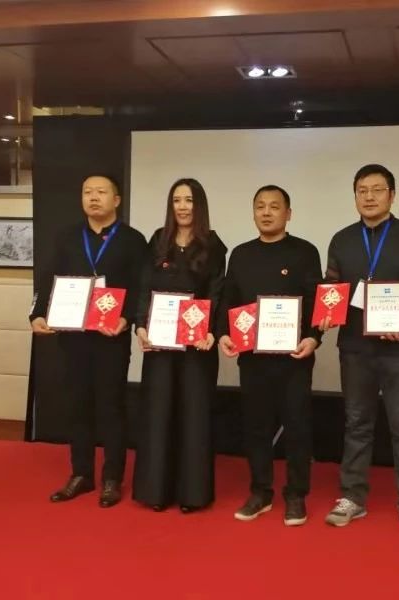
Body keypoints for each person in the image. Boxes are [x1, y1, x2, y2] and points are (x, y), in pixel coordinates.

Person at [322, 164, 399, 538]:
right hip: (355, 348)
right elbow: (331, 288)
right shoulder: (342, 239)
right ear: (355, 196)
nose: (369, 197)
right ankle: (352, 496)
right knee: (357, 422)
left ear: (392, 194)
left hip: (398, 350)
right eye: (362, 190)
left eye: (377, 190)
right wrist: (325, 313)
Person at [31, 174, 148, 508]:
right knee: (78, 405)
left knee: (111, 407)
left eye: (101, 192)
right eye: (87, 192)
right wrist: (37, 313)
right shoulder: (68, 237)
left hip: (111, 337)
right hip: (74, 336)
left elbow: (141, 287)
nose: (93, 197)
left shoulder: (133, 240)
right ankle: (81, 473)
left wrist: (128, 318)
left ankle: (112, 478)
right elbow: (48, 278)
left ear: (117, 199)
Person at [217, 185, 322, 527]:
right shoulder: (241, 254)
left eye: (274, 206)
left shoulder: (305, 252)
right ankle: (260, 491)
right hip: (253, 358)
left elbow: (317, 301)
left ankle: (296, 494)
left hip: (295, 358)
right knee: (256, 426)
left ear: (288, 214)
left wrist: (314, 338)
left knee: (297, 426)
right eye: (260, 206)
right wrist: (224, 333)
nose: (266, 212)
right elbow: (229, 300)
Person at [132, 178, 227, 513]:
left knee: (193, 415)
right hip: (160, 345)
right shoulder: (158, 240)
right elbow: (144, 288)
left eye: (189, 200)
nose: (183, 207)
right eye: (177, 200)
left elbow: (216, 294)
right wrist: (141, 325)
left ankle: (192, 494)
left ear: (199, 205)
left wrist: (212, 332)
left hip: (196, 347)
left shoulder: (214, 246)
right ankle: (156, 492)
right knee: (158, 413)